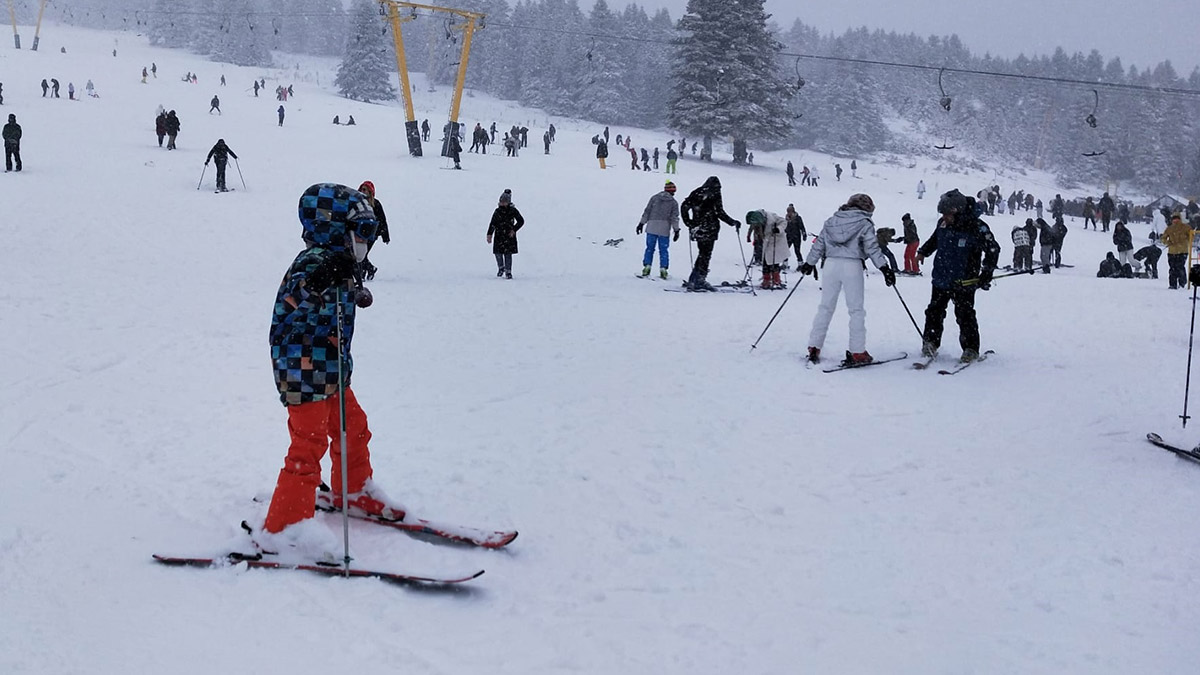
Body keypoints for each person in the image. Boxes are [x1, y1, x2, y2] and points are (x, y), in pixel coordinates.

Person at [260, 183, 404, 555]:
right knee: (308, 444)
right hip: (302, 371)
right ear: (332, 227)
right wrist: (322, 276)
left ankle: (353, 489)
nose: (364, 241)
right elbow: (292, 303)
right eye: (359, 232)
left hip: (332, 371)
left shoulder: (342, 263)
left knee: (352, 428)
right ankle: (286, 526)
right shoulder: (313, 262)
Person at [799, 194, 894, 365]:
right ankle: (857, 351)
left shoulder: (831, 221)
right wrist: (884, 268)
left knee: (825, 307)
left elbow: (819, 243)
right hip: (852, 265)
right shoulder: (865, 223)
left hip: (830, 264)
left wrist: (809, 263)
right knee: (856, 310)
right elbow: (872, 247)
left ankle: (814, 346)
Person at [916, 189, 1000, 362]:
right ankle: (930, 342)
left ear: (957, 211)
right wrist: (923, 252)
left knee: (965, 314)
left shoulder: (977, 226)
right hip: (941, 277)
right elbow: (935, 240)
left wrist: (986, 272)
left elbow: (993, 249)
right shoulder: (943, 223)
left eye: (947, 214)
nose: (944, 217)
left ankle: (970, 348)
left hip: (965, 280)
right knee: (934, 311)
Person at [680, 176, 741, 292]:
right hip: (709, 228)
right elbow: (719, 212)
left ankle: (694, 279)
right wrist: (732, 222)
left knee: (702, 253)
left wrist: (690, 223)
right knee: (705, 254)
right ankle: (699, 280)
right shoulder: (714, 194)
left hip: (699, 229)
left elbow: (684, 207)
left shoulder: (697, 192)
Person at [636, 180, 680, 279]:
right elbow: (674, 217)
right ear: (672, 191)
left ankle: (647, 266)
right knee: (663, 250)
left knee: (649, 248)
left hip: (651, 226)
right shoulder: (673, 203)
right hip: (664, 229)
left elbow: (647, 211)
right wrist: (676, 230)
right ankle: (663, 269)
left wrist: (641, 223)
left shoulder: (654, 198)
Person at [356, 181, 390, 281]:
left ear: (370, 192)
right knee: (359, 253)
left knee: (363, 253)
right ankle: (369, 269)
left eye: (365, 190)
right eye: (361, 189)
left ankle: (364, 272)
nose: (363, 191)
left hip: (372, 233)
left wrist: (385, 236)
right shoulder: (358, 202)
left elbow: (382, 220)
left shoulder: (376, 204)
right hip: (360, 232)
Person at [746, 209, 789, 289]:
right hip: (766, 241)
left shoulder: (772, 217)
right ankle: (767, 280)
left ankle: (776, 280)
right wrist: (753, 238)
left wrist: (778, 229)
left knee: (774, 261)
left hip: (776, 240)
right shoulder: (756, 218)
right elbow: (753, 228)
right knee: (766, 261)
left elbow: (784, 222)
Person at [487, 189, 524, 279]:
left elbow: (521, 221)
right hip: (499, 235)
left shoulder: (513, 210)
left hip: (509, 236)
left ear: (508, 202)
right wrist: (489, 234)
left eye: (504, 202)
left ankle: (508, 271)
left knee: (508, 254)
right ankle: (501, 268)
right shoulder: (497, 211)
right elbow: (493, 223)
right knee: (498, 253)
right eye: (501, 201)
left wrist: (514, 230)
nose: (502, 203)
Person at [1161, 213, 1191, 289]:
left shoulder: (1186, 228)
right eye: (1174, 219)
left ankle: (1179, 283)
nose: (1175, 220)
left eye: (1177, 218)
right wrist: (1168, 242)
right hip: (1174, 251)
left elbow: (1191, 237)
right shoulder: (1170, 228)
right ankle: (1176, 283)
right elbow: (1163, 238)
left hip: (1180, 251)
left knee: (1177, 267)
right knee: (1175, 267)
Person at [784, 204, 806, 269]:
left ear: (793, 211)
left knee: (797, 251)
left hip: (796, 237)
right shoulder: (786, 219)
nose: (788, 213)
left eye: (789, 211)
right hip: (788, 236)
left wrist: (804, 234)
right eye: (787, 211)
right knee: (785, 250)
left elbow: (802, 227)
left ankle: (800, 264)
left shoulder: (798, 218)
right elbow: (785, 227)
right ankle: (785, 264)